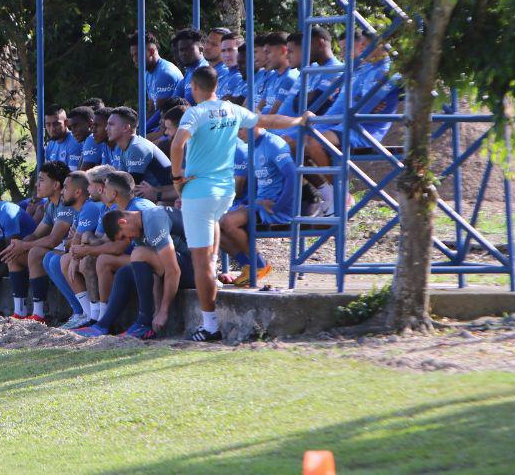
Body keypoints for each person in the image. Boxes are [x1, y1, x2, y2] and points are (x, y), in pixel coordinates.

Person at [170, 65, 311, 341]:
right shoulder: (233, 110)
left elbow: (177, 144)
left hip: (199, 193)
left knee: (202, 264)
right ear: (217, 86)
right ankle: (220, 287)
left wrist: (177, 178)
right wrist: (298, 121)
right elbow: (268, 121)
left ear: (195, 88)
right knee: (209, 257)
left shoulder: (195, 113)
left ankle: (210, 326)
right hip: (225, 192)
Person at [302, 29, 400, 215]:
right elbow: (354, 101)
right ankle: (330, 194)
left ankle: (340, 195)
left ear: (382, 45)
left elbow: (363, 107)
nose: (361, 47)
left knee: (314, 142)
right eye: (360, 43)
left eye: (365, 43)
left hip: (362, 129)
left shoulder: (388, 71)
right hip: (341, 123)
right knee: (293, 144)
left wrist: (366, 103)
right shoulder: (363, 68)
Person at [75, 205, 191, 340]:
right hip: (180, 267)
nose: (128, 239)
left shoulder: (153, 220)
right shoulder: (138, 232)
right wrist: (157, 309)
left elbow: (173, 270)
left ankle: (143, 322)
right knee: (125, 272)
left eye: (123, 235)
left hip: (195, 269)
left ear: (123, 222)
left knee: (138, 253)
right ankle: (103, 325)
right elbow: (155, 272)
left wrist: (163, 311)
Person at [70, 171, 155, 323]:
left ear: (114, 193)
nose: (103, 190)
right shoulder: (119, 208)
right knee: (98, 258)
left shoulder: (133, 209)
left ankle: (102, 319)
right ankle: (95, 316)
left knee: (103, 260)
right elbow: (107, 241)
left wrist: (86, 249)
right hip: (142, 257)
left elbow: (117, 248)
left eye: (106, 187)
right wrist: (87, 241)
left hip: (157, 260)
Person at [218, 127, 297, 285]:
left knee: (227, 222)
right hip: (259, 205)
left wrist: (277, 207)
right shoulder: (252, 146)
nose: (237, 134)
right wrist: (247, 204)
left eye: (239, 129)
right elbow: (258, 183)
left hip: (276, 208)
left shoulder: (273, 143)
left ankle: (259, 265)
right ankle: (249, 265)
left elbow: (292, 176)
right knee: (213, 226)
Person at [0, 160, 75, 322]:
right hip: (58, 253)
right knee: (14, 253)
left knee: (35, 252)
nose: (37, 185)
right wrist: (18, 245)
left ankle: (40, 313)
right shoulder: (50, 205)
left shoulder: (66, 204)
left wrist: (24, 245)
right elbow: (37, 234)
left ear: (56, 185)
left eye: (42, 180)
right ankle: (19, 310)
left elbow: (53, 239)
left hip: (70, 252)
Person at [40, 171, 104, 328]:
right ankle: (81, 312)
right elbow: (70, 242)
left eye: (65, 188)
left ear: (77, 191)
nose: (62, 191)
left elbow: (76, 242)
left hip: (98, 253)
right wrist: (73, 242)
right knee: (51, 258)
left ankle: (89, 315)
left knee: (63, 260)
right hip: (88, 250)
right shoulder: (78, 210)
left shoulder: (89, 207)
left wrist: (74, 245)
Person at [130, 31, 183, 132]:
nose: (134, 59)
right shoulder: (147, 72)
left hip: (172, 128)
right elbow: (151, 108)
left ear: (151, 51)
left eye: (137, 54)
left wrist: (139, 131)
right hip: (160, 125)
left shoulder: (165, 74)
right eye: (133, 55)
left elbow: (158, 113)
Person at [105, 106, 172, 187]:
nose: (106, 128)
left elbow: (128, 188)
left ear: (126, 128)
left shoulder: (136, 147)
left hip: (166, 197)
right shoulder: (126, 147)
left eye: (111, 124)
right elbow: (120, 180)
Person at [257, 32, 299, 115]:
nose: (265, 57)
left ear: (283, 51)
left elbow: (273, 115)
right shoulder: (272, 76)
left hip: (272, 126)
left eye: (268, 52)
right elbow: (259, 108)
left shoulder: (290, 78)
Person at [171, 28, 211, 104]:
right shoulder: (189, 73)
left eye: (188, 49)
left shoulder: (206, 72)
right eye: (181, 50)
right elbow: (172, 102)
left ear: (201, 49)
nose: (184, 53)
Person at [43, 104, 82, 170]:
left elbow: (72, 176)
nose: (52, 129)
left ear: (66, 123)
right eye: (48, 125)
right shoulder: (50, 144)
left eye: (56, 124)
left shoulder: (75, 142)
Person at [216, 32, 245, 100]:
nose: (226, 55)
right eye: (223, 51)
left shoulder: (241, 77)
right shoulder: (222, 77)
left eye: (230, 50)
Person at [65, 106, 95, 171]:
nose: (73, 131)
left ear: (90, 124)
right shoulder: (86, 141)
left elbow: (81, 176)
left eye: (75, 126)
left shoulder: (91, 139)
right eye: (70, 127)